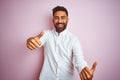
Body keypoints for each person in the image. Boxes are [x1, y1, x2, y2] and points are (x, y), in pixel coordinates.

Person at [26, 6, 97, 80]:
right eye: (56, 17)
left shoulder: (74, 39)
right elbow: (35, 41)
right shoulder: (46, 34)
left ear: (67, 20)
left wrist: (83, 68)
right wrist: (30, 41)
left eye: (63, 17)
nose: (59, 20)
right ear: (53, 20)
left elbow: (79, 61)